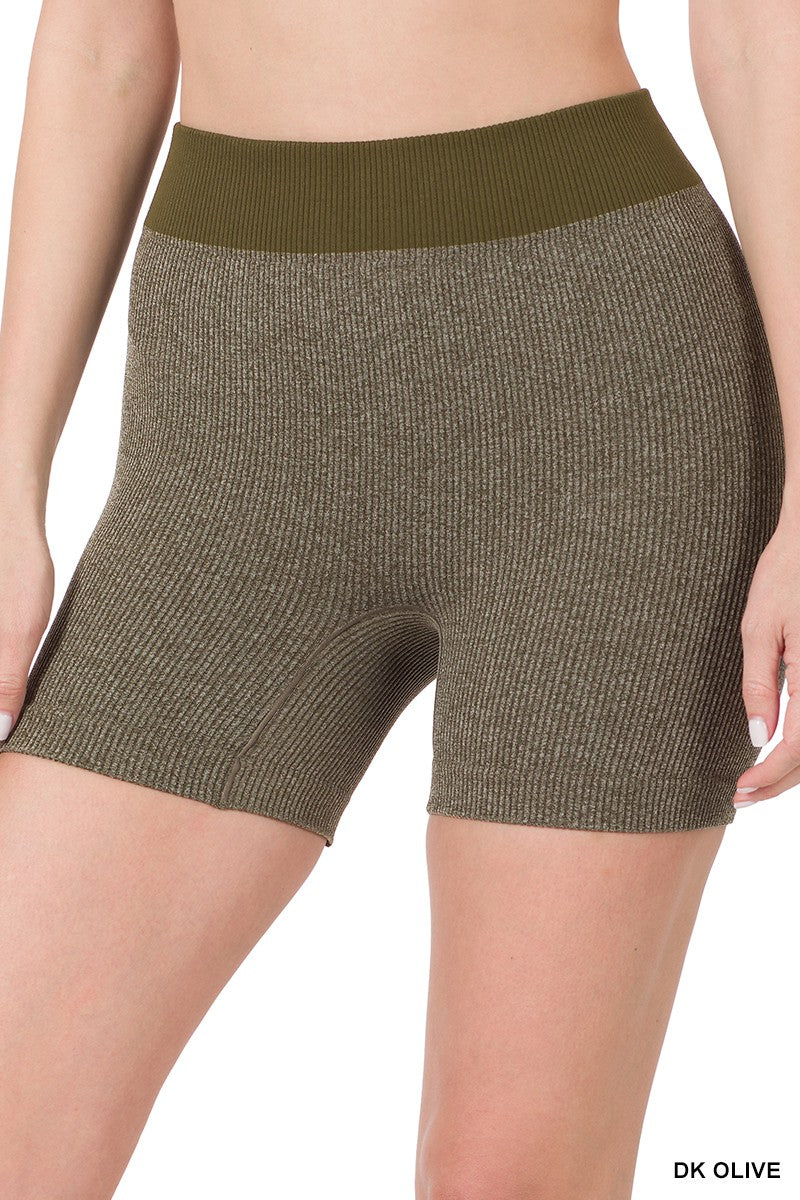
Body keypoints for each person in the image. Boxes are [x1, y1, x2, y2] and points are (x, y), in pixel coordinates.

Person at [0, 0, 797, 1196]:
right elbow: (103, 43)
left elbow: (754, 33)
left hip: (601, 406)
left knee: (506, 1178)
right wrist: (9, 482)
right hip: (230, 428)